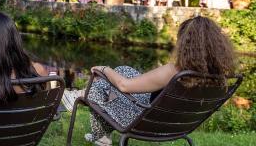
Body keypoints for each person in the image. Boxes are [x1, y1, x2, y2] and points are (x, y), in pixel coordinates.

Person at [82, 16, 236, 146]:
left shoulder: (175, 72)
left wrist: (103, 69)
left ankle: (99, 134)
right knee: (124, 70)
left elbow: (123, 86)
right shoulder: (220, 78)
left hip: (143, 123)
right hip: (177, 126)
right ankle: (98, 130)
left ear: (185, 45)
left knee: (98, 86)